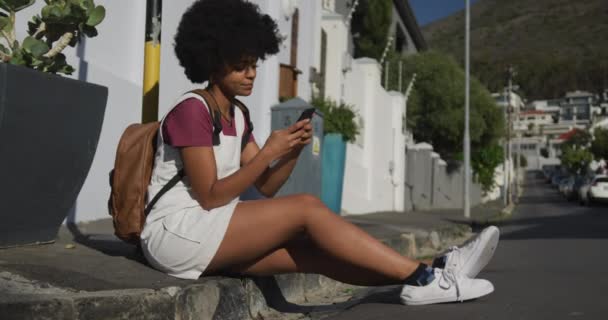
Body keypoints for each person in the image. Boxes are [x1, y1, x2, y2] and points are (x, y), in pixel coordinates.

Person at [140, 0, 499, 306]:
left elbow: (265, 187)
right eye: (241, 66)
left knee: (312, 255)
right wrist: (267, 153)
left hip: (207, 227)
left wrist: (290, 151)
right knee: (307, 208)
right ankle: (426, 277)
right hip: (175, 232)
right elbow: (209, 194)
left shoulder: (238, 113)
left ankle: (430, 275)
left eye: (254, 64)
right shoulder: (192, 110)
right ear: (213, 64)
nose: (251, 74)